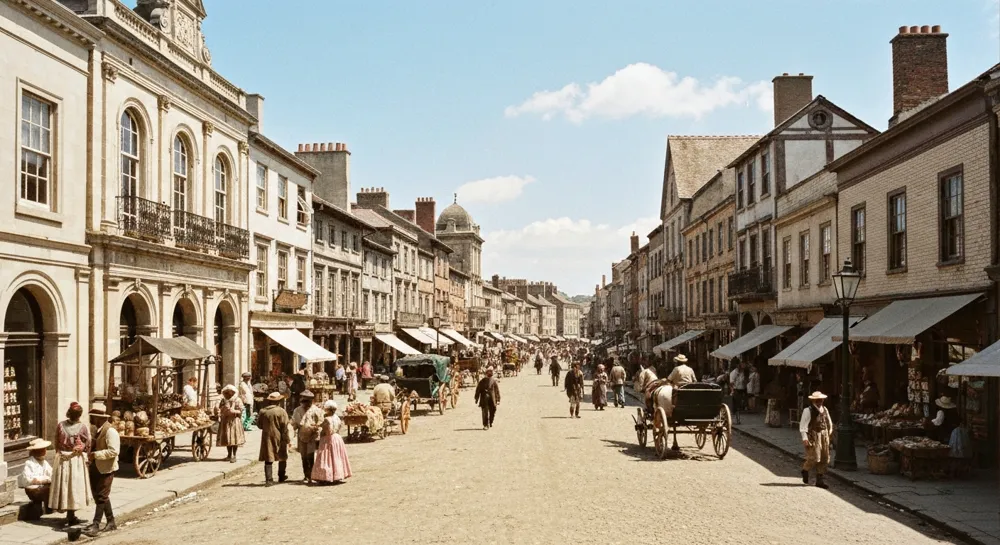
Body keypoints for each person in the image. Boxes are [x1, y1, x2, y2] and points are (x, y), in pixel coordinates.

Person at [49, 401, 92, 526]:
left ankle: (69, 513)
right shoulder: (83, 427)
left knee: (64, 484)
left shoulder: (60, 425)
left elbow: (56, 442)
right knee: (73, 486)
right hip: (75, 460)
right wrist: (82, 449)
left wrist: (60, 453)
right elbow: (88, 443)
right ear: (79, 415)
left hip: (63, 459)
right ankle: (71, 514)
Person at [84, 403, 119, 536]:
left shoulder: (110, 431)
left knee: (101, 496)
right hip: (96, 467)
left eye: (92, 417)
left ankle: (96, 524)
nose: (91, 419)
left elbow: (114, 451)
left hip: (106, 469)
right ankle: (111, 521)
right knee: (100, 496)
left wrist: (95, 454)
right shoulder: (98, 430)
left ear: (99, 418)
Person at [311, 401, 352, 484]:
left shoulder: (327, 419)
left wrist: (319, 430)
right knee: (336, 456)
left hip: (328, 438)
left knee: (327, 456)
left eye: (326, 409)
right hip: (337, 438)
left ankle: (326, 476)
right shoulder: (337, 418)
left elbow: (328, 431)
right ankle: (337, 475)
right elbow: (339, 427)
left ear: (329, 410)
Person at [799, 391, 833, 489]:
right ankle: (805, 470)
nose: (819, 402)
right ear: (813, 400)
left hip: (824, 435)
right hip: (814, 435)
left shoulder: (825, 409)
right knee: (813, 457)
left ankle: (819, 480)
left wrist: (829, 432)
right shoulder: (808, 410)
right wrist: (805, 438)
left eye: (821, 400)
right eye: (817, 400)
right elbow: (803, 425)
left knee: (824, 457)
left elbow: (829, 422)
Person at [257, 391, 290, 486]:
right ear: (278, 401)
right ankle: (281, 476)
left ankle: (269, 479)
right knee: (282, 456)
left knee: (268, 457)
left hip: (266, 436)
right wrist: (287, 438)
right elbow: (285, 426)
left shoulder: (263, 411)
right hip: (279, 436)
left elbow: (259, 425)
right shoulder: (281, 411)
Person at [291, 390, 324, 483]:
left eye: (308, 401)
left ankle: (312, 474)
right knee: (303, 456)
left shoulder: (316, 410)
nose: (306, 404)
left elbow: (321, 420)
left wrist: (317, 427)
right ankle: (306, 475)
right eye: (304, 401)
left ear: (311, 401)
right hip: (302, 435)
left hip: (312, 436)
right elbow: (295, 422)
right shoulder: (297, 410)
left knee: (310, 455)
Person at [18, 438, 52, 519]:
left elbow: (51, 473)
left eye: (44, 450)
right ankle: (47, 509)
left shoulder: (44, 463)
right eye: (42, 450)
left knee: (51, 487)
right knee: (46, 490)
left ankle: (49, 508)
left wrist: (51, 478)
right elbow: (28, 479)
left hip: (42, 487)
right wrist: (43, 480)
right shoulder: (29, 463)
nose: (44, 452)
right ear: (36, 452)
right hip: (33, 490)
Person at [217, 385, 246, 463]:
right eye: (226, 393)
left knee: (234, 439)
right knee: (227, 438)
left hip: (234, 421)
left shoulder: (237, 400)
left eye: (229, 392)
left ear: (233, 392)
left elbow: (241, 410)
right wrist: (221, 410)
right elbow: (219, 409)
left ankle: (234, 455)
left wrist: (234, 411)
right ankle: (229, 455)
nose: (228, 394)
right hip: (226, 421)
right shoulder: (223, 400)